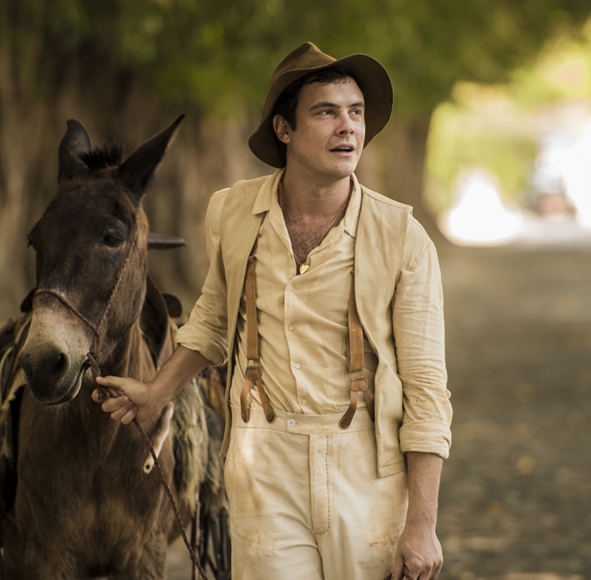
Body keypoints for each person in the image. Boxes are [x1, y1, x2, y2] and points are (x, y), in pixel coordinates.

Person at [93, 42, 452, 580]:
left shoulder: (402, 236)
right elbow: (214, 319)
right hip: (263, 458)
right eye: (326, 112)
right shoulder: (232, 211)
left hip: (367, 467)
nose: (347, 128)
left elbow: (426, 386)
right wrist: (155, 394)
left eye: (355, 112)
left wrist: (421, 524)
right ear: (284, 130)